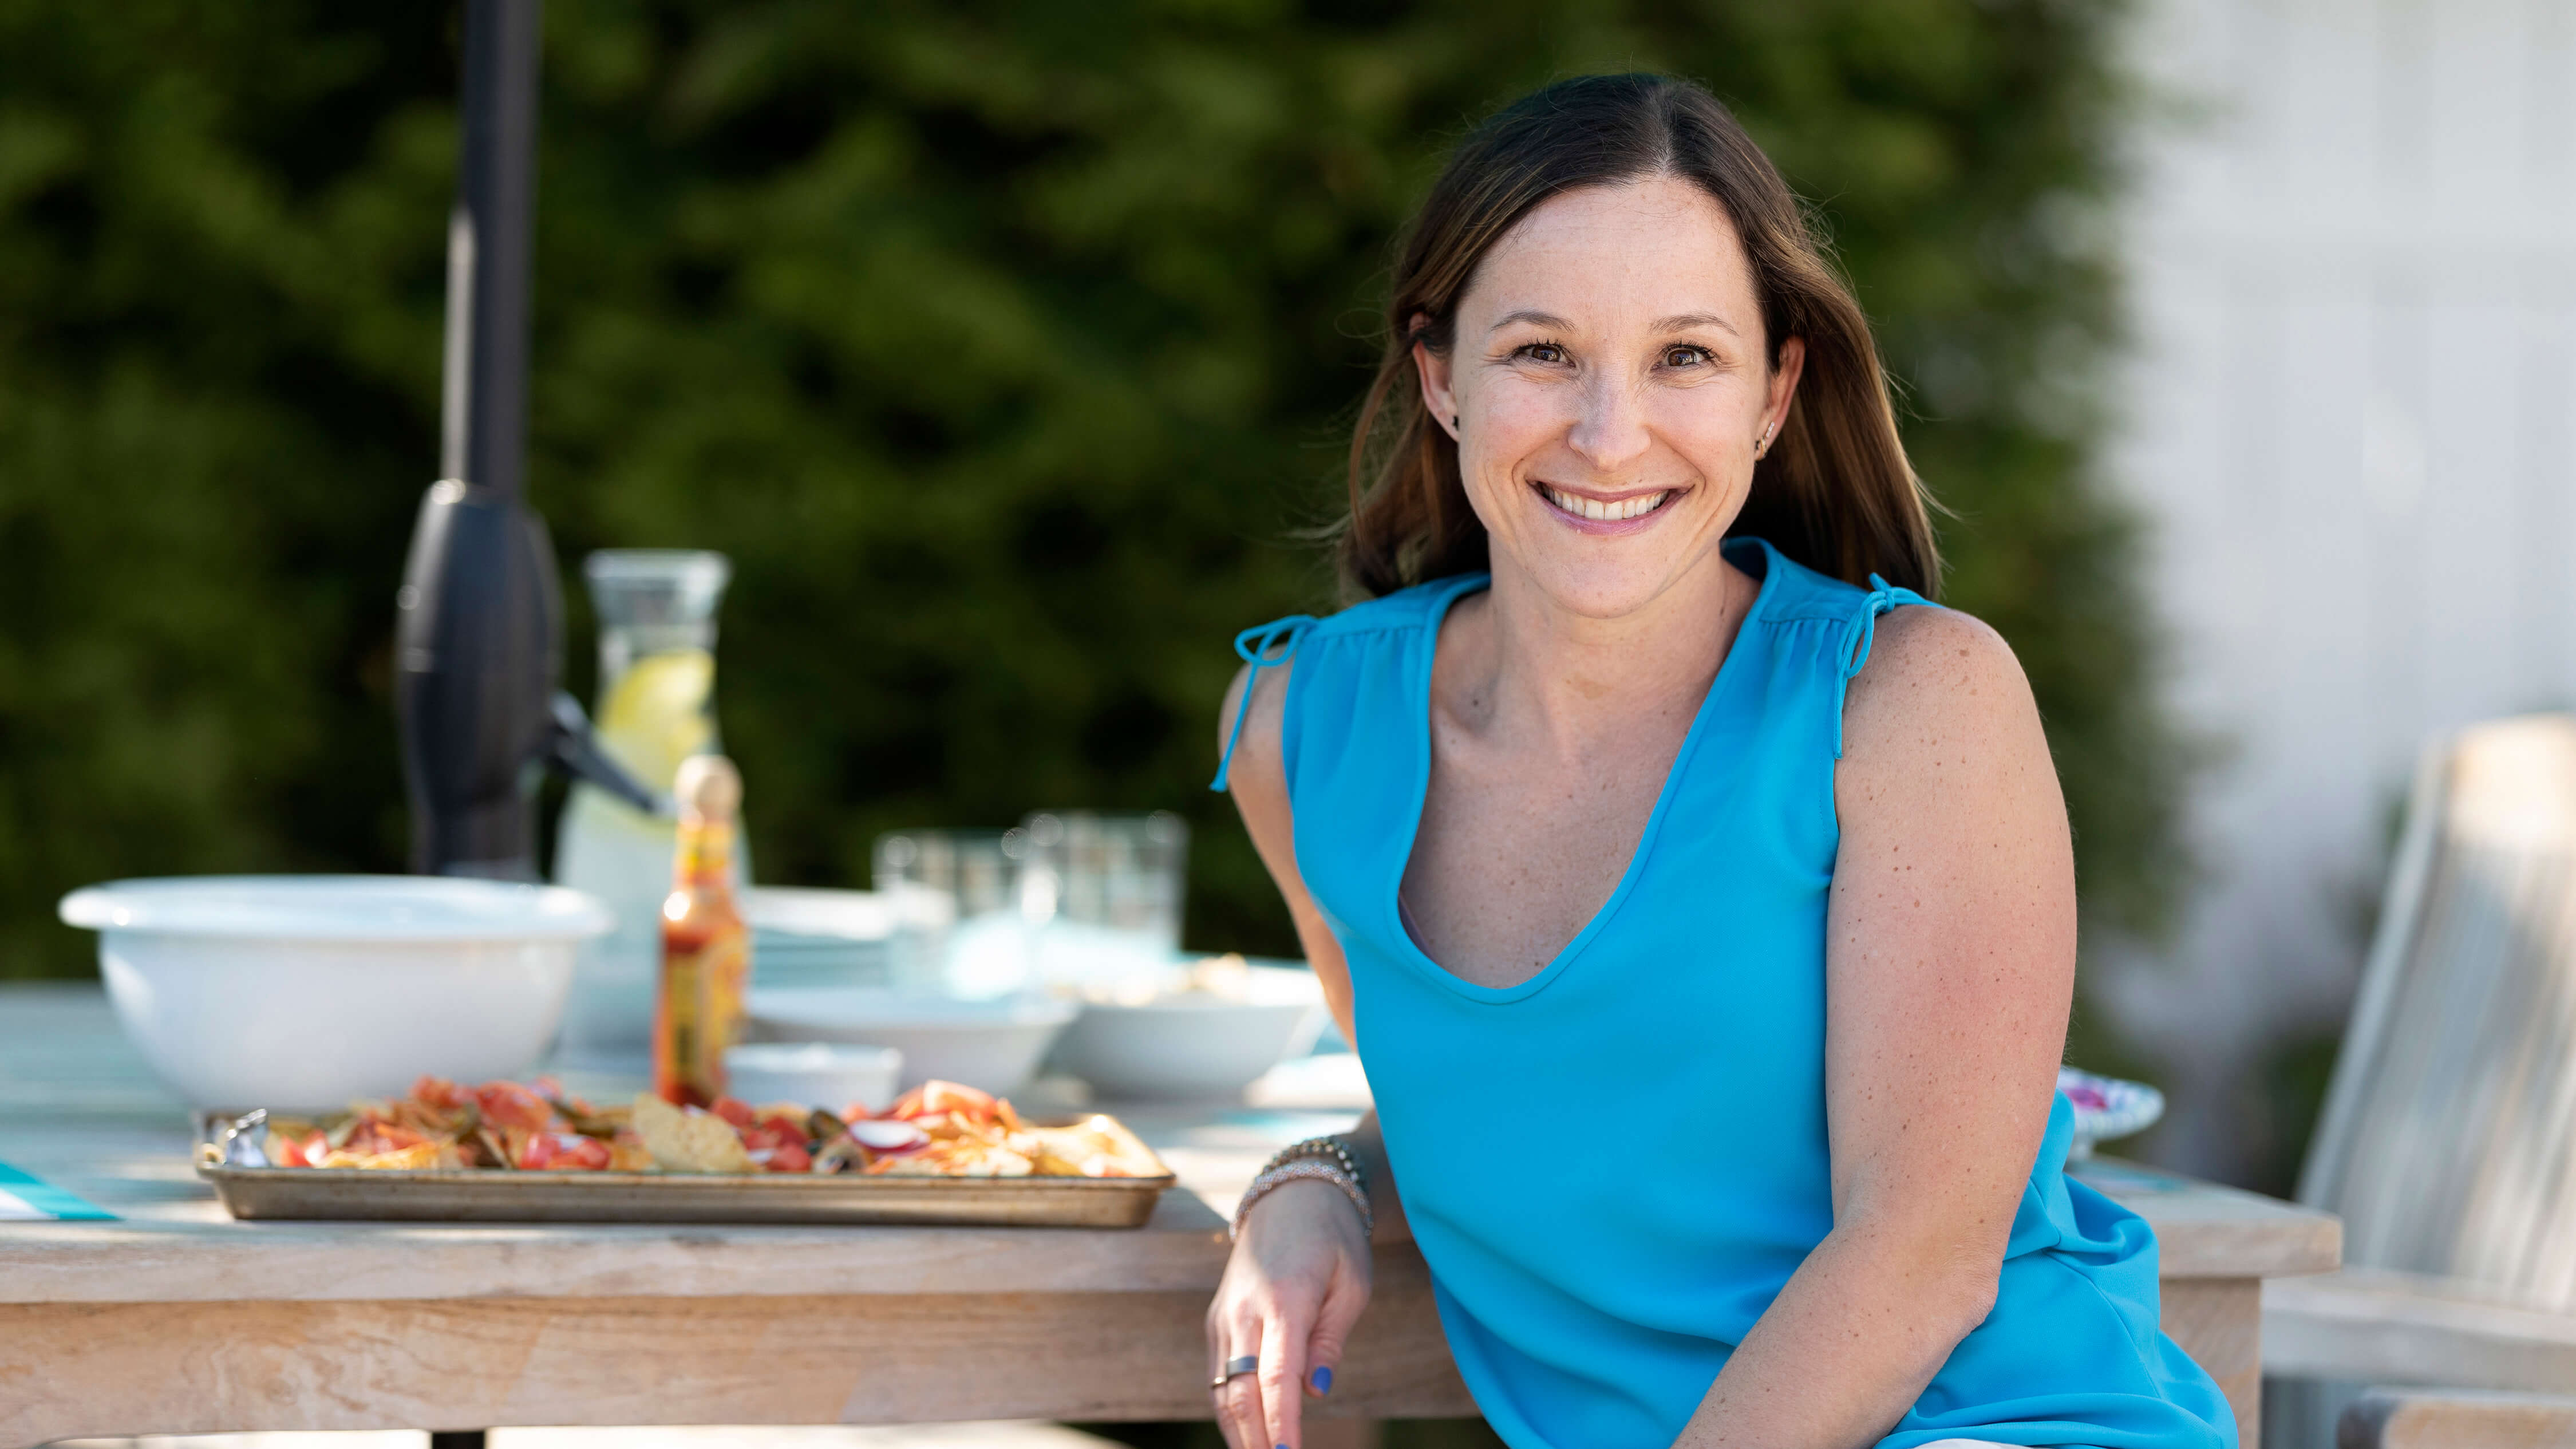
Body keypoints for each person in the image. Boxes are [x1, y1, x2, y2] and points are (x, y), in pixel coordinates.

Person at [1202, 73, 2235, 1449]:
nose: (1611, 432)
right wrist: (1310, 1181)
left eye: (1685, 356)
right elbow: (1486, 1104)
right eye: (1542, 353)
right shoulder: (1299, 733)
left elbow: (1920, 1253)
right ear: (1442, 378)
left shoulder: (1912, 703)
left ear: (1773, 391)